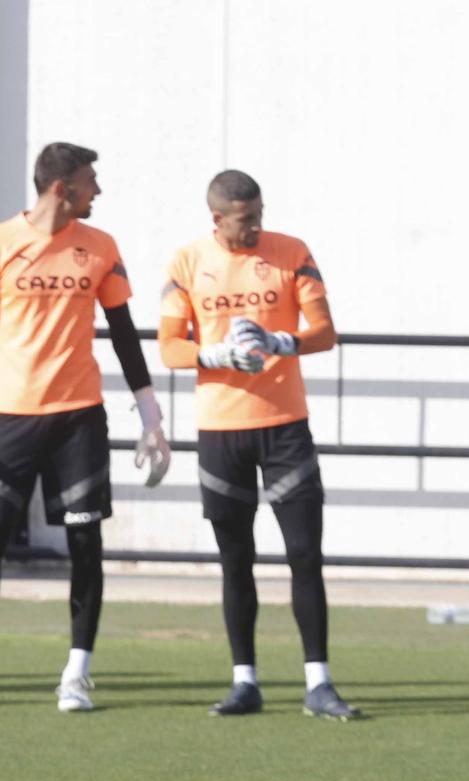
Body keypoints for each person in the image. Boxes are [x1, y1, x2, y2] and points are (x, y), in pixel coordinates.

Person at [0, 142, 169, 713]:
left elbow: (122, 332)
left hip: (78, 420)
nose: (99, 192)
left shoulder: (100, 247)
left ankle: (76, 674)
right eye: (91, 182)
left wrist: (151, 415)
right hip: (10, 419)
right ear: (61, 189)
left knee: (85, 544)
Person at [158, 169, 357, 719]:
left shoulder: (292, 252)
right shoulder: (187, 262)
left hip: (285, 426)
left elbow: (325, 330)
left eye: (260, 216)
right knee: (234, 559)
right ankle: (244, 681)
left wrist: (280, 341)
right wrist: (214, 354)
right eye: (245, 221)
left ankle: (318, 682)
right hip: (222, 431)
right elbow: (169, 346)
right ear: (217, 219)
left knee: (304, 554)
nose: (256, 228)